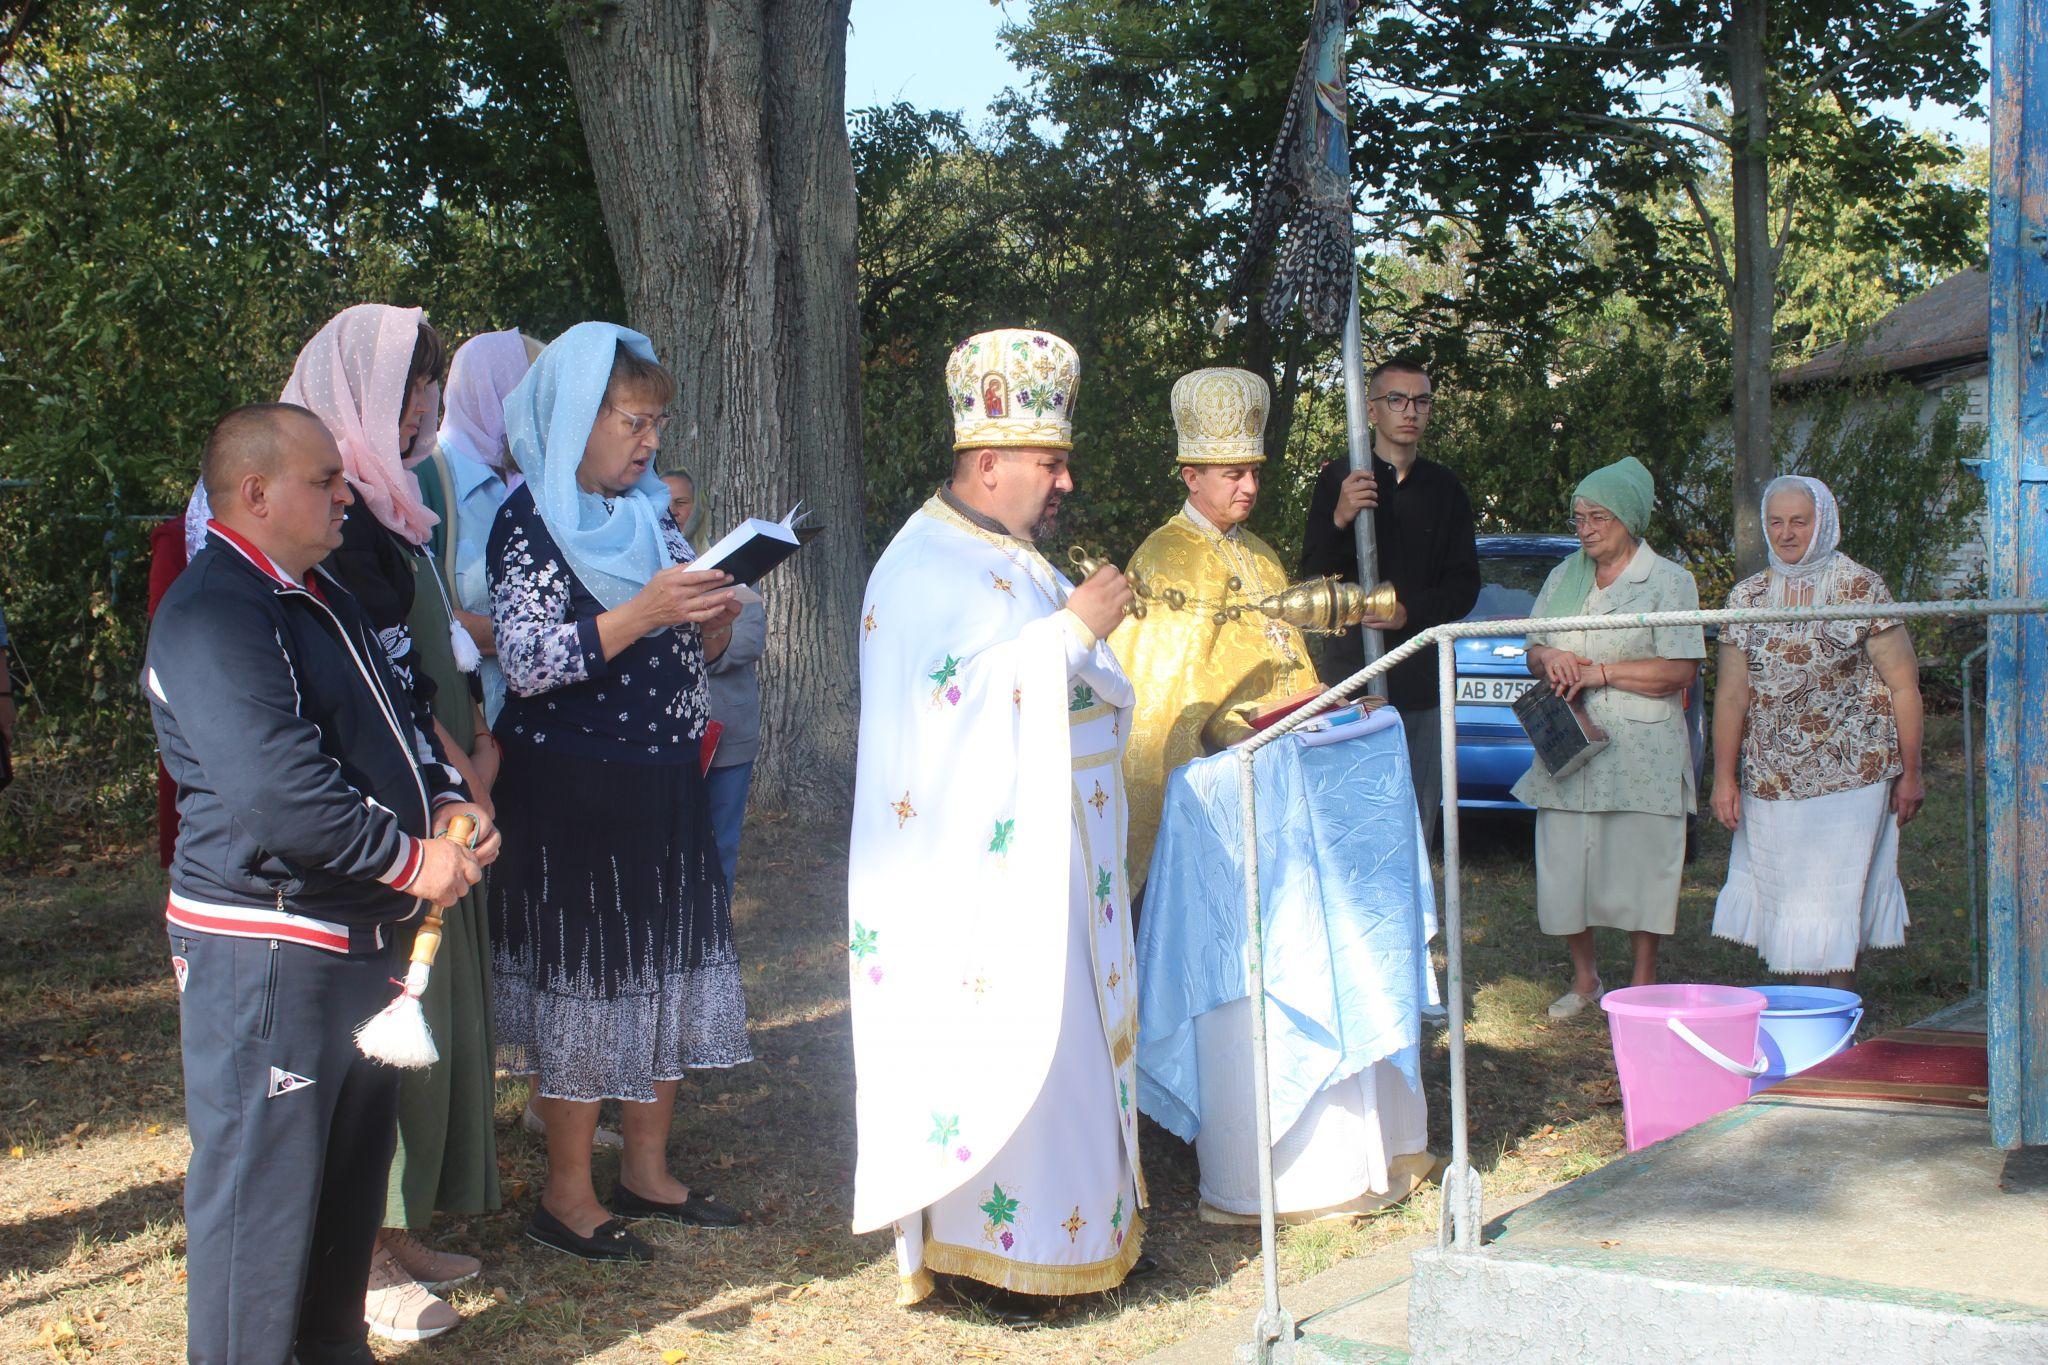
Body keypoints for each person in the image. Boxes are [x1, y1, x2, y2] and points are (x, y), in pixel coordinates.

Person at [147, 403, 496, 1365]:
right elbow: (279, 793)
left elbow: (394, 724)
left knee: (347, 1187)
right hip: (266, 947)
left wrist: (443, 805)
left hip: (357, 938)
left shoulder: (322, 594)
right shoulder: (215, 610)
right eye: (325, 479)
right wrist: (413, 860)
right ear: (255, 494)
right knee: (260, 1199)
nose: (347, 493)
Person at [849, 328, 1147, 1319]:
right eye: (1047, 462)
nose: (1062, 480)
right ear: (987, 461)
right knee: (1017, 1030)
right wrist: (1073, 632)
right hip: (980, 878)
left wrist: (1077, 636)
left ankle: (1072, 1229)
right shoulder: (922, 564)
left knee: (1066, 1034)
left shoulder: (1014, 555)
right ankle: (990, 1254)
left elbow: (1069, 677)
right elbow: (947, 712)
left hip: (1054, 854)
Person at [488, 322, 752, 1263]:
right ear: (574, 419)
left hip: (664, 774)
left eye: (656, 423)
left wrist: (710, 622)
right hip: (573, 785)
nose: (649, 443)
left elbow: (688, 645)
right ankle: (565, 1195)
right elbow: (524, 659)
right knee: (589, 981)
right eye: (632, 422)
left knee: (663, 970)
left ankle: (646, 1171)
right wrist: (642, 612)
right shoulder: (530, 517)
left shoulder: (650, 512)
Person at [267, 305, 501, 1340]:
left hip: (423, 787)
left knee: (415, 1006)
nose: (425, 407)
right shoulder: (327, 519)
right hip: (362, 809)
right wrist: (450, 774)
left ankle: (391, 1224)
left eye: (431, 390)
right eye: (409, 387)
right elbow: (368, 679)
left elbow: (413, 670)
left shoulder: (385, 504)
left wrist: (457, 780)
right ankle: (357, 1262)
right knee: (363, 1029)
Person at [1111, 366, 1318, 896]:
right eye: (1233, 474)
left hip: (1284, 767)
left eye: (1254, 471)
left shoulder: (1263, 556)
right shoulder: (1163, 559)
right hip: (1219, 784)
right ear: (1191, 475)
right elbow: (1158, 716)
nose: (1249, 487)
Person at [1711, 476, 1922, 986]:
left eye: (1799, 521)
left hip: (1854, 772)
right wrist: (1723, 777)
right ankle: (1810, 1022)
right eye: (1775, 522)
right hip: (1773, 776)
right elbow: (1733, 694)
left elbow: (1904, 687)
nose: (1786, 534)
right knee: (1788, 905)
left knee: (1835, 902)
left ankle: (1834, 1024)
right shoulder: (1749, 596)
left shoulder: (1861, 588)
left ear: (1822, 522)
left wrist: (1911, 773)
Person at [1514, 457, 1705, 1017]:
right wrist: (1551, 656)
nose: (1587, 529)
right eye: (1579, 518)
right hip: (1570, 746)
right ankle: (1585, 980)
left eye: (1599, 517)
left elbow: (1680, 670)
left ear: (1629, 519)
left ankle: (1643, 984)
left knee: (1644, 862)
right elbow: (1532, 650)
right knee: (1567, 862)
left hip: (1643, 749)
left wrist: (1599, 672)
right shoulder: (1564, 576)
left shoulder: (1670, 580)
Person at [1300, 358, 1479, 845]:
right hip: (1353, 678)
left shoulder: (1446, 490)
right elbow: (1312, 579)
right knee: (1347, 819)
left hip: (1420, 680)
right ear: (1372, 410)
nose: (1410, 412)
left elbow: (1464, 587)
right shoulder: (1341, 478)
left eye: (1421, 401)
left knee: (1413, 823)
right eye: (1396, 400)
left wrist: (1409, 613)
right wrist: (1339, 517)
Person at [420, 328, 541, 726]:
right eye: (532, 391)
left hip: (543, 729)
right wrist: (543, 641)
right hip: (473, 727)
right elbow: (418, 619)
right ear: (492, 393)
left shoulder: (536, 479)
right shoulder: (425, 481)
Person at [664, 467, 767, 894]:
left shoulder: (732, 566)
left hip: (727, 735)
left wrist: (700, 637)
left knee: (720, 844)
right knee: (670, 847)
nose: (674, 512)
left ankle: (715, 947)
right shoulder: (643, 568)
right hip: (669, 736)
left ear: (698, 507)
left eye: (683, 502)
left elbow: (748, 641)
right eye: (664, 503)